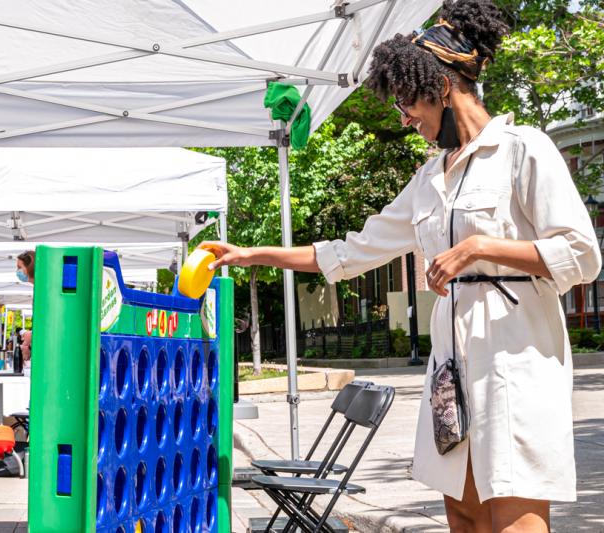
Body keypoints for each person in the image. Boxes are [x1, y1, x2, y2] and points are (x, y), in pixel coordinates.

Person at [200, 2, 601, 532]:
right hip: (450, 368)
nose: (405, 119)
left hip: (514, 357)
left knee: (513, 510)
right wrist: (253, 255)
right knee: (460, 507)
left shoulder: (524, 149)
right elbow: (351, 251)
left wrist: (480, 247)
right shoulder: (429, 179)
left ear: (440, 87)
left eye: (406, 104)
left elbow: (582, 254)